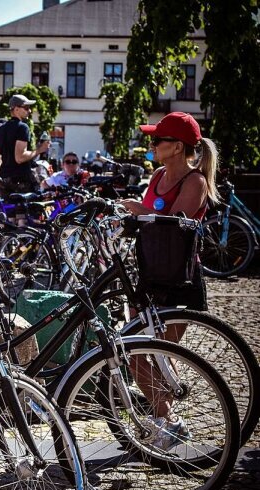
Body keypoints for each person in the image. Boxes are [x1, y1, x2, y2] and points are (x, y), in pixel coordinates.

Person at [121, 111, 220, 450]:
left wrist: (140, 212)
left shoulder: (195, 182)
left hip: (179, 278)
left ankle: (169, 421)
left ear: (177, 147)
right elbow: (149, 221)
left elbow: (175, 222)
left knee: (161, 355)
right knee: (134, 353)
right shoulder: (158, 174)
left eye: (156, 140)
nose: (151, 145)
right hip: (149, 272)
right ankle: (166, 417)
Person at [0, 94, 50, 194]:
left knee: (7, 209)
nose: (29, 111)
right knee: (31, 208)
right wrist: (40, 149)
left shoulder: (1, 129)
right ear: (16, 109)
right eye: (26, 108)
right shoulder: (22, 127)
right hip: (21, 180)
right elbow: (20, 158)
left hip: (4, 180)